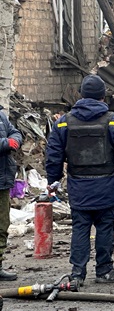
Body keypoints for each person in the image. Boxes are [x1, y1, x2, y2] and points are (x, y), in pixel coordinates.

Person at [46, 74, 114, 286]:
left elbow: (53, 153)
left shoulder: (64, 123)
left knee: (80, 228)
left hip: (79, 185)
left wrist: (53, 179)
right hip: (107, 184)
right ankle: (104, 270)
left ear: (81, 95)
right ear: (103, 96)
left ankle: (77, 273)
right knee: (105, 227)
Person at [0, 107, 22, 281]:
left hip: (2, 180)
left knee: (2, 226)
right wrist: (5, 144)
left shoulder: (1, 115)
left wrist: (14, 139)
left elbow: (14, 131)